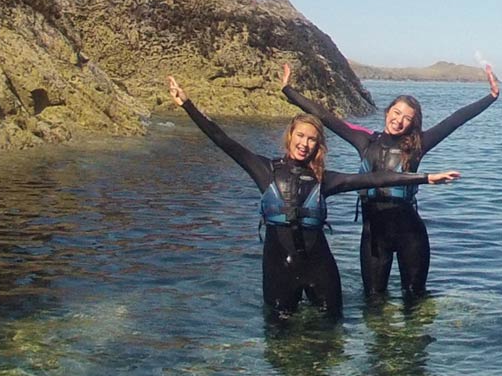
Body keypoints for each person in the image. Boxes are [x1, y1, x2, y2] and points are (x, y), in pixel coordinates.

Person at [168, 75, 461, 319]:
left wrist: (425, 177)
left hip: (331, 264)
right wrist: (188, 105)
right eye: (300, 137)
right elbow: (224, 140)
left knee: (344, 328)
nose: (304, 144)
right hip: (287, 264)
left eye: (311, 139)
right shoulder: (265, 170)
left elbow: (373, 178)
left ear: (318, 146)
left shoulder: (325, 179)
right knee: (286, 333)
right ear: (290, 137)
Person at [280, 62, 498, 299]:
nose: (399, 120)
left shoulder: (417, 146)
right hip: (374, 238)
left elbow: (455, 120)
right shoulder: (364, 142)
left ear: (413, 124)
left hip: (411, 235)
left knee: (414, 300)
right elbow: (325, 117)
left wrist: (491, 97)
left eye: (407, 118)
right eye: (396, 112)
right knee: (373, 301)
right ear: (387, 112)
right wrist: (288, 90)